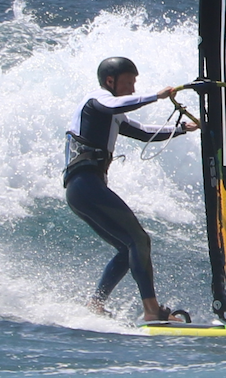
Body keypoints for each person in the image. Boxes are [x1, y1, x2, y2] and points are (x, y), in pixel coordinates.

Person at [64, 56, 200, 322]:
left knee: (129, 249)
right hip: (85, 183)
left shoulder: (111, 114)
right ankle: (152, 310)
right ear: (110, 81)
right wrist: (155, 96)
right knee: (139, 240)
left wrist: (182, 128)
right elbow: (117, 102)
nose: (133, 89)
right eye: (129, 83)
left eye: (135, 84)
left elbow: (143, 131)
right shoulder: (98, 99)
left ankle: (95, 304)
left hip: (83, 189)